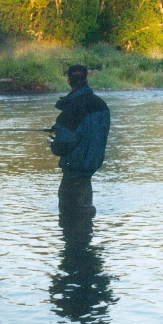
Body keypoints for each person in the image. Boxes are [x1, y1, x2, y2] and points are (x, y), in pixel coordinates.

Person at [49, 65, 110, 216]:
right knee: (86, 215)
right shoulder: (101, 105)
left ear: (68, 80)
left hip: (72, 176)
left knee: (69, 219)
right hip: (89, 173)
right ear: (86, 79)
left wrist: (52, 141)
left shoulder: (70, 110)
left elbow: (61, 147)